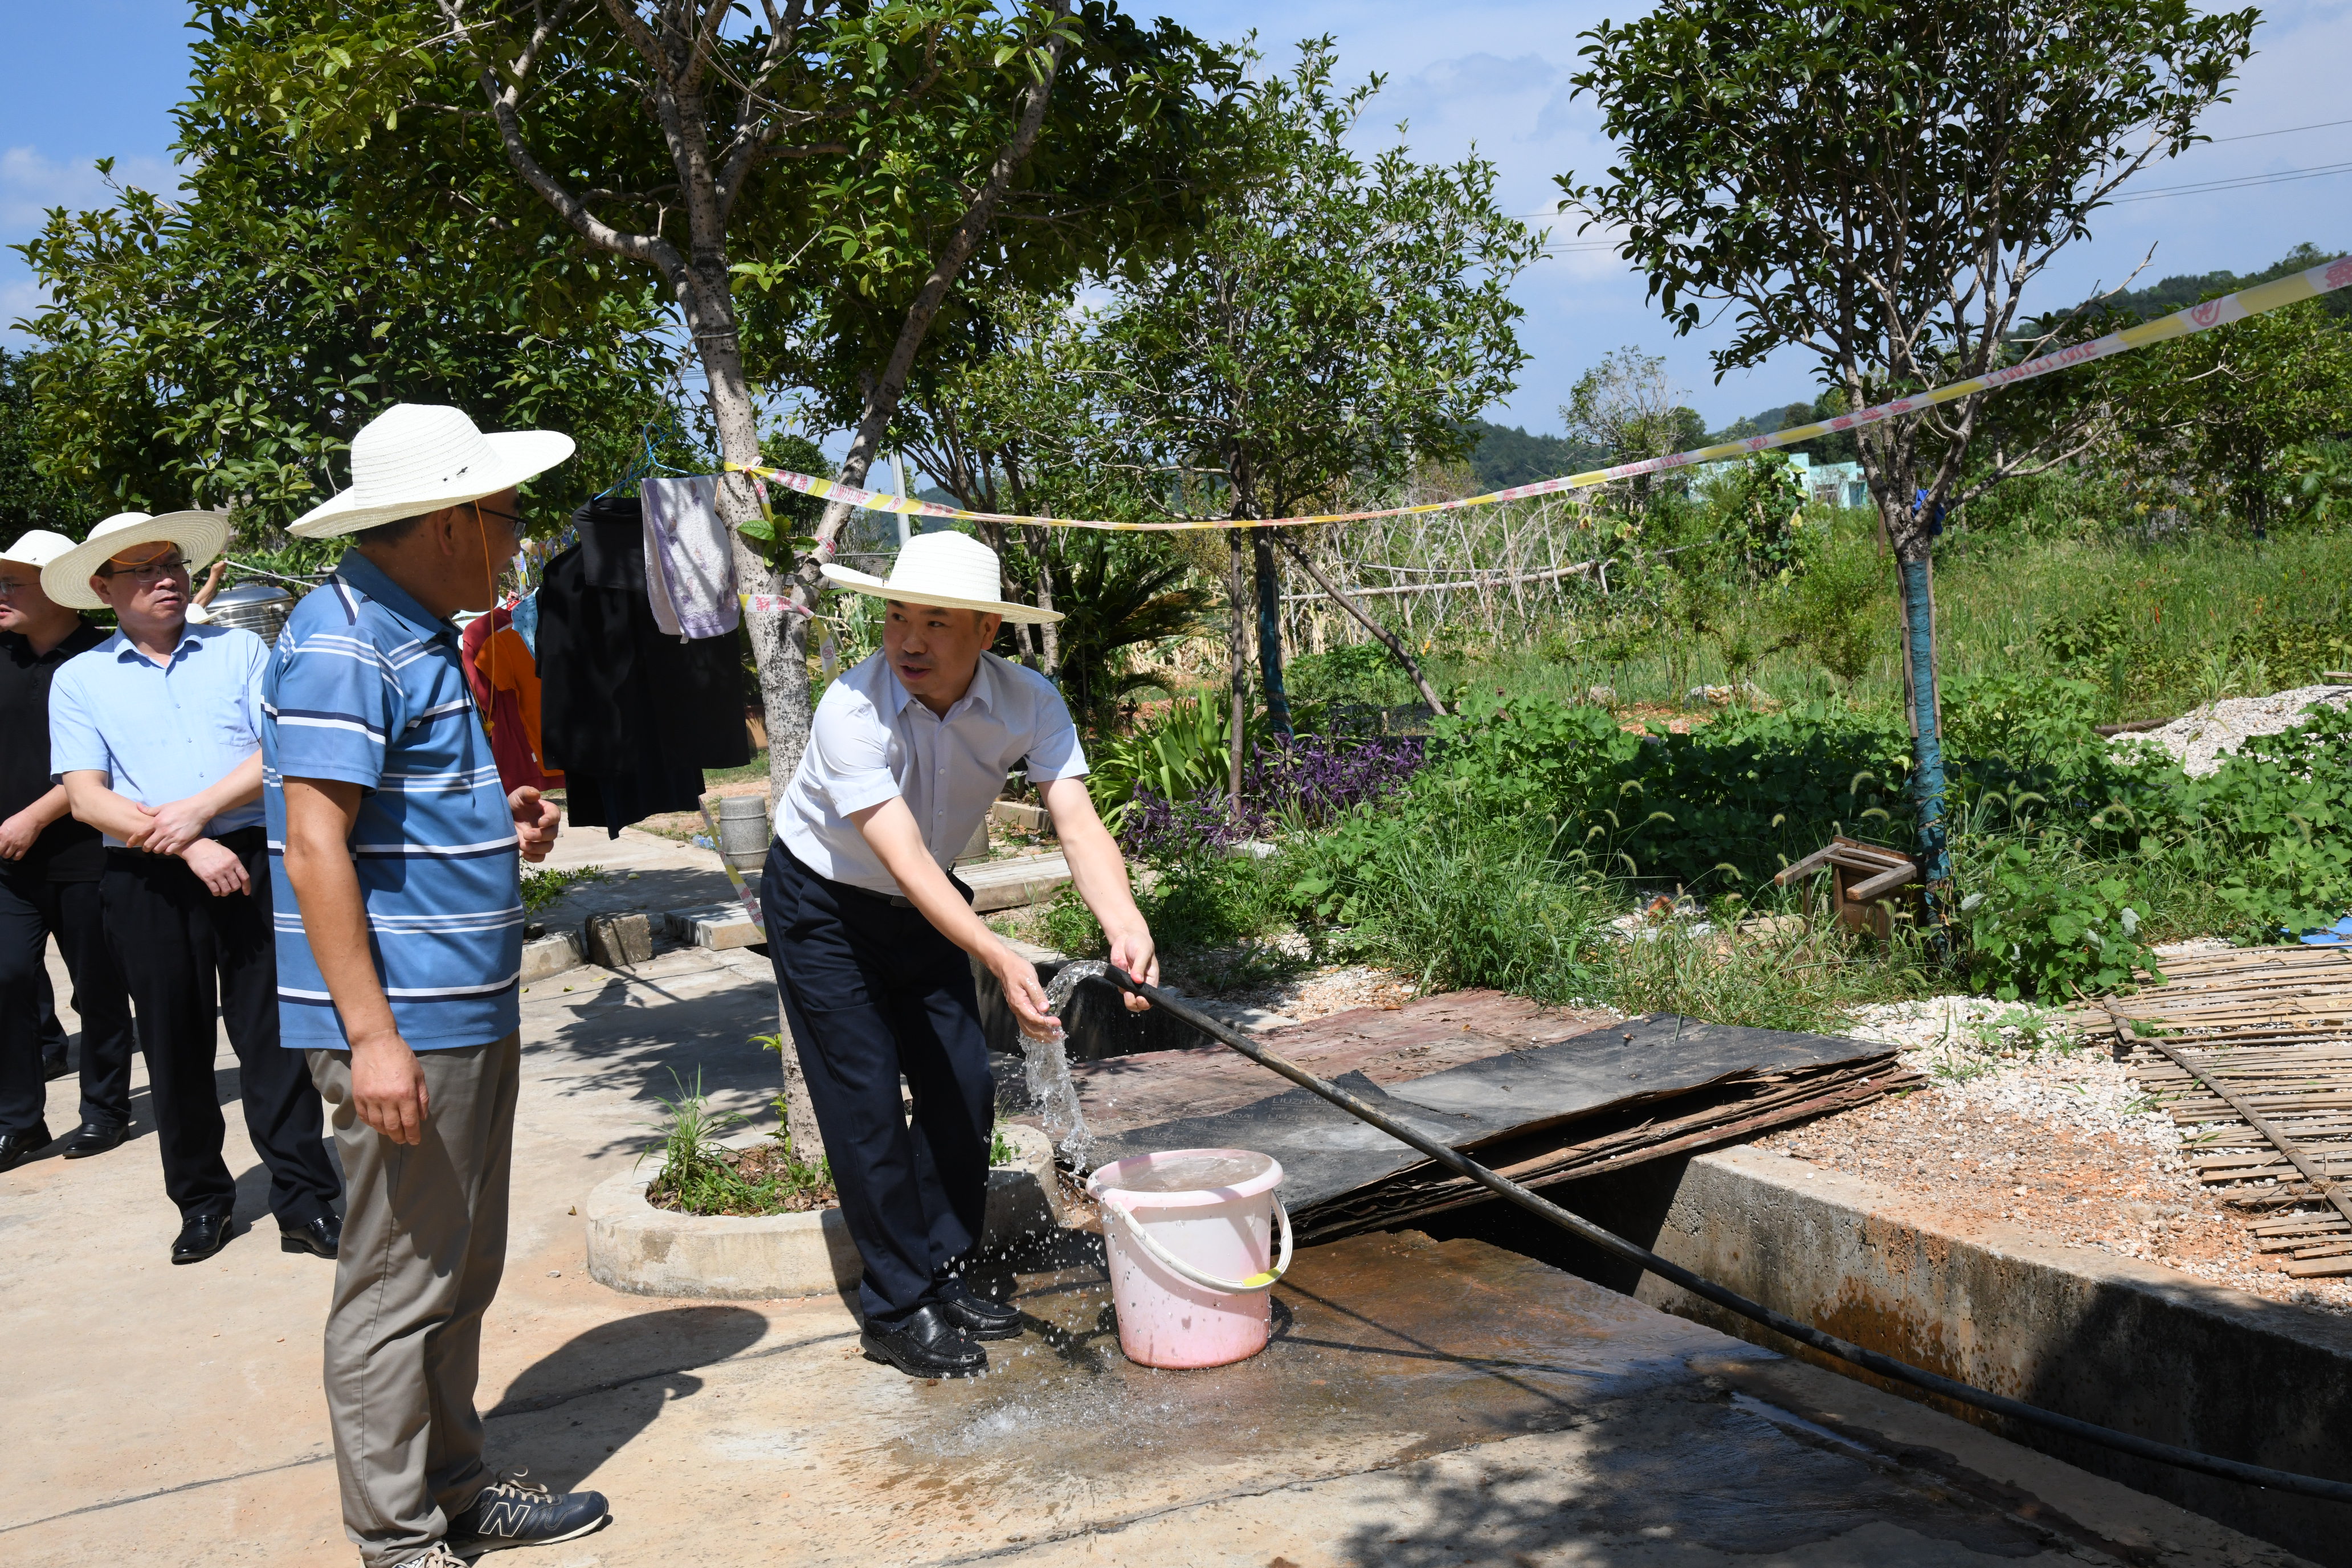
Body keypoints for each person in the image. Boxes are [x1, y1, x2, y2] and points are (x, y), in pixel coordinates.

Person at [272, 403, 609, 1567]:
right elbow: (314, 844)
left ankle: (456, 1488)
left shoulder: (413, 630)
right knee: (396, 1284)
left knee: (458, 1267)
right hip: (406, 1020)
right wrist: (371, 1036)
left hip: (462, 1008)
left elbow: (380, 815)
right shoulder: (344, 636)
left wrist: (483, 813)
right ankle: (399, 1536)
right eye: (509, 516)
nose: (519, 538)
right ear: (455, 518)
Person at [767, 529, 1160, 1378]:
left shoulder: (1027, 701)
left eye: (937, 622)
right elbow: (900, 854)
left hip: (928, 906)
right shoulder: (850, 709)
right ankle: (897, 1306)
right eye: (897, 617)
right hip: (825, 906)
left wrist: (1126, 921)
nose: (908, 639)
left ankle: (944, 1272)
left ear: (986, 632)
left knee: (963, 1084)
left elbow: (1076, 818)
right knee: (864, 1101)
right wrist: (997, 952)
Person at [44, 512, 343, 1263]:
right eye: (142, 570)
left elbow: (276, 743)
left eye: (171, 563)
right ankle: (202, 1202)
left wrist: (204, 817)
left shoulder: (239, 649)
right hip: (146, 876)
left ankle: (304, 1200)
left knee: (274, 1040)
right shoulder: (80, 679)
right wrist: (188, 844)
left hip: (247, 857)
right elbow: (86, 797)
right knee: (175, 1045)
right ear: (104, 589)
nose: (165, 579)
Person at [0, 529, 136, 1170]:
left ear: (59, 589)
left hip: (87, 853)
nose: (0, 595)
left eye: (12, 583)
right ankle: (19, 1120)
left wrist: (34, 815)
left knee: (98, 988)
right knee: (8, 979)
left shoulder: (106, 659)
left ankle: (105, 1109)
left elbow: (99, 764)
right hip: (9, 861)